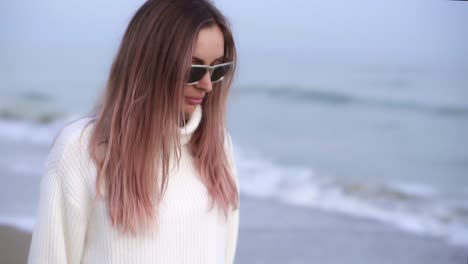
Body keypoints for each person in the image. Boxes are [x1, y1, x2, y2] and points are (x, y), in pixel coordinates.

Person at [27, 0, 240, 263]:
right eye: (193, 69)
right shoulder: (81, 150)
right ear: (150, 64)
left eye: (218, 69)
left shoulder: (219, 148)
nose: (207, 85)